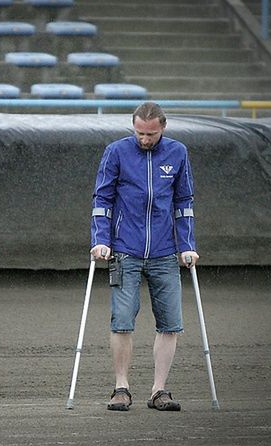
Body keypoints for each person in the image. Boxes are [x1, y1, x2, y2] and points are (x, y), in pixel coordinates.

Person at [90, 102, 198, 412]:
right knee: (122, 321)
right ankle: (121, 387)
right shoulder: (116, 152)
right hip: (125, 251)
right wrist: (101, 240)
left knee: (170, 324)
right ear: (133, 127)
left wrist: (187, 244)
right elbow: (103, 199)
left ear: (162, 128)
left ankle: (159, 390)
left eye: (150, 134)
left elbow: (184, 201)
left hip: (165, 253)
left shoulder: (178, 153)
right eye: (139, 132)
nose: (144, 139)